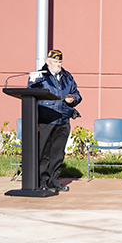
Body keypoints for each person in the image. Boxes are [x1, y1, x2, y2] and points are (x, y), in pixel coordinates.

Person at [27, 49, 82, 193]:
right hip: (46, 119)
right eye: (55, 61)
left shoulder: (67, 76)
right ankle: (42, 181)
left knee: (58, 153)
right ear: (47, 61)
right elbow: (30, 93)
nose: (58, 64)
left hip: (63, 119)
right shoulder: (38, 76)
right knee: (43, 152)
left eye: (60, 61)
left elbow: (77, 94)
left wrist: (73, 99)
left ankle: (54, 180)